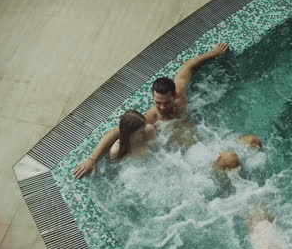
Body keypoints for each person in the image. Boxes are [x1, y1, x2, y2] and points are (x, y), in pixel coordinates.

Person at [73, 43, 261, 178]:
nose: (162, 107)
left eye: (166, 102)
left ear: (174, 95)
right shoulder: (150, 118)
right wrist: (92, 158)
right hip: (191, 160)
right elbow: (116, 132)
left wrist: (212, 54)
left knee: (253, 141)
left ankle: (239, 179)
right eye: (157, 102)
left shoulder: (181, 95)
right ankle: (237, 188)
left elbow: (188, 66)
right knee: (231, 159)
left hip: (206, 142)